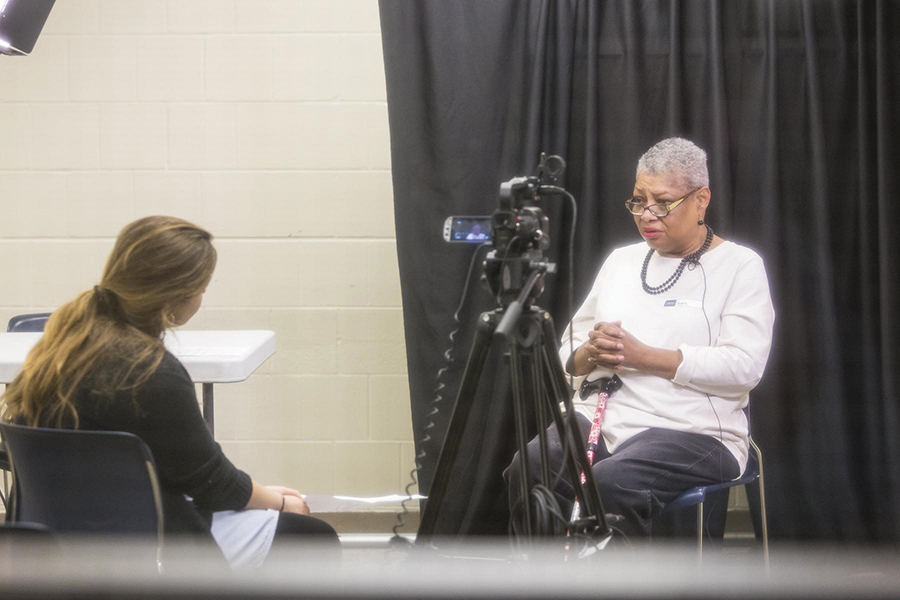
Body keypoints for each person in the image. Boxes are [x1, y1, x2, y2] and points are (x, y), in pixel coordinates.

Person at [1, 216, 339, 567]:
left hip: (54, 541)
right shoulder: (152, 373)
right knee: (312, 536)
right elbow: (213, 484)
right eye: (203, 288)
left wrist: (265, 495)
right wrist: (281, 501)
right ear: (178, 296)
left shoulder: (56, 350)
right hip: (151, 543)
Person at [505, 137, 775, 540]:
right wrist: (589, 352)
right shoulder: (622, 261)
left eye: (662, 202)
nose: (646, 214)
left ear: (701, 199)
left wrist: (644, 357)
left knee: (610, 484)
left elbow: (744, 367)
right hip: (602, 417)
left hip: (693, 431)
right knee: (529, 467)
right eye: (638, 200)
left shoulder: (739, 266)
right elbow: (568, 352)